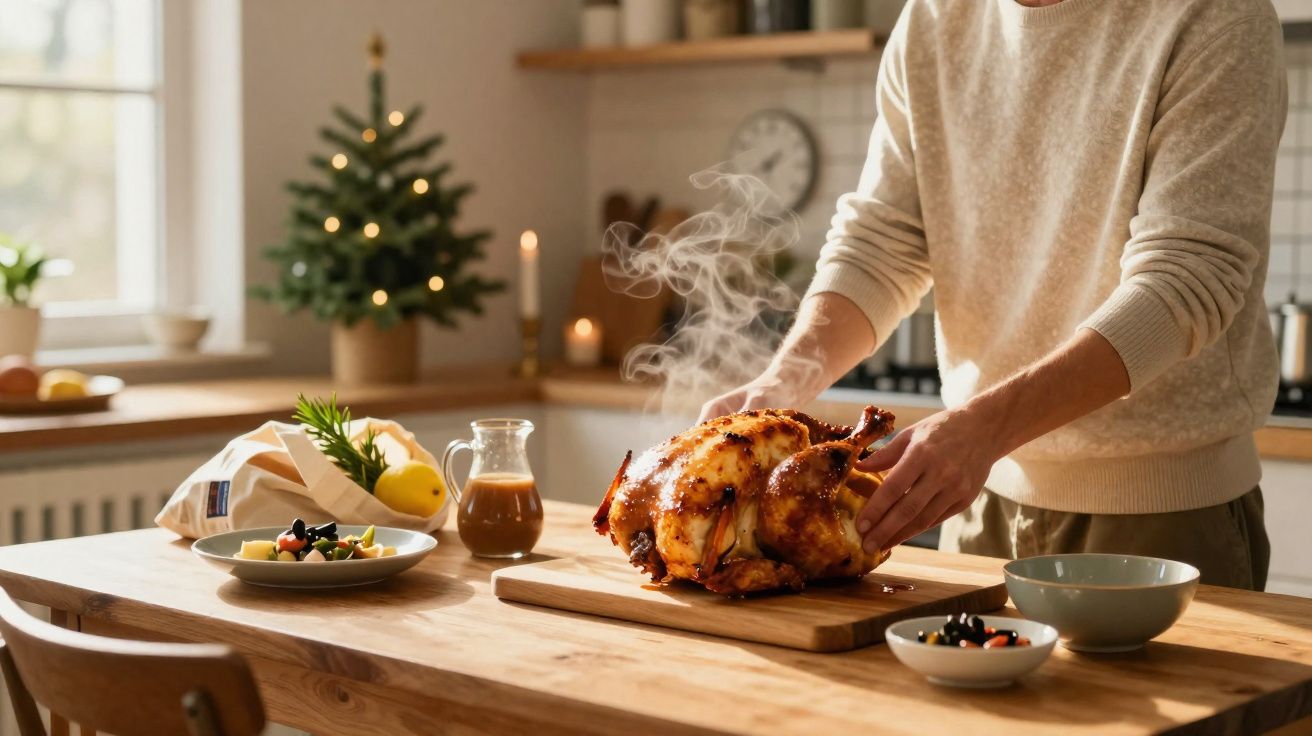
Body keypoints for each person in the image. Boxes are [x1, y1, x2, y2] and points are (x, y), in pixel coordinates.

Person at [699, 0, 1285, 590]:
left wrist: (980, 431)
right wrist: (782, 386)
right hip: (977, 505)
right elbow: (882, 241)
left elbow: (1187, 278)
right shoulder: (933, 17)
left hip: (1161, 520)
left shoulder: (1216, 14)